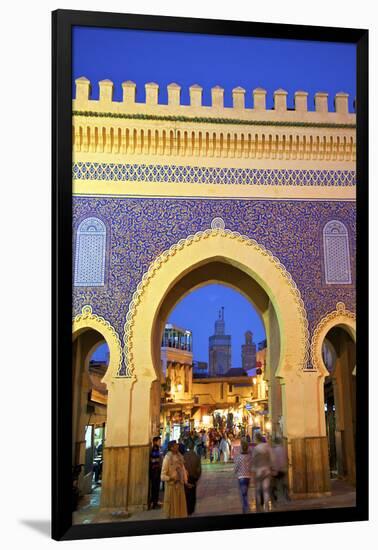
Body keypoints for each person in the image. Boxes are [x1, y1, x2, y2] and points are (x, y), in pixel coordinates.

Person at [161, 440, 188, 518]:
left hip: (180, 486)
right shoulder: (167, 458)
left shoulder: (179, 456)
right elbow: (162, 476)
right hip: (172, 488)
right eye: (176, 445)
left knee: (180, 508)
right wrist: (171, 478)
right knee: (172, 510)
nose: (178, 446)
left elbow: (182, 468)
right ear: (171, 448)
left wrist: (185, 478)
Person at [252, 432, 274, 512]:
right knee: (266, 490)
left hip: (259, 472)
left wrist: (253, 474)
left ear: (256, 439)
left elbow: (253, 463)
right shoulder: (267, 447)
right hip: (267, 471)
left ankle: (259, 508)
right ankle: (267, 508)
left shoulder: (255, 449)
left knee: (258, 490)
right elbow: (272, 459)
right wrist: (272, 467)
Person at [233, 439, 253, 513]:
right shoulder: (249, 457)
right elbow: (251, 465)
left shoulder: (239, 457)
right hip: (248, 477)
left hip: (241, 477)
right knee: (246, 492)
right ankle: (245, 508)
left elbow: (236, 468)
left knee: (243, 494)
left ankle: (246, 508)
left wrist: (235, 471)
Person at [184, 439, 202, 515]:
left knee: (187, 494)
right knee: (192, 494)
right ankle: (191, 509)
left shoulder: (184, 456)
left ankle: (187, 509)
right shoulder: (197, 457)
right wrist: (196, 478)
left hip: (186, 478)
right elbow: (199, 470)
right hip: (193, 478)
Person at [271, 437, 289, 503]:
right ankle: (285, 497)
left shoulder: (274, 450)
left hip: (277, 470)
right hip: (284, 469)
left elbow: (274, 461)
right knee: (283, 483)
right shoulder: (283, 449)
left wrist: (273, 469)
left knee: (277, 485)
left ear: (275, 442)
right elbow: (286, 458)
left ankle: (279, 498)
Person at [149, 436, 162, 509]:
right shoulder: (155, 448)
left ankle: (155, 502)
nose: (160, 442)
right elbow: (154, 461)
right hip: (155, 472)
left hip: (155, 471)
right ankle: (154, 503)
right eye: (159, 441)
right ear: (155, 442)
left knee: (155, 488)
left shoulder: (156, 448)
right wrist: (157, 471)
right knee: (155, 488)